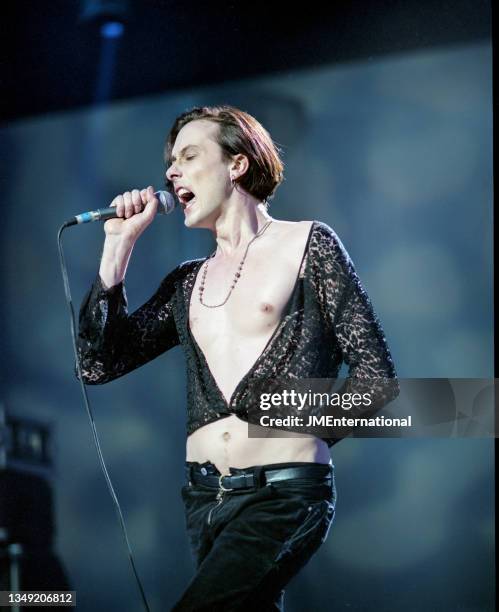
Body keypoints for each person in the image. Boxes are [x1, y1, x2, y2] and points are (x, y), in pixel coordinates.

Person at [76, 105, 399, 611]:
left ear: (237, 164)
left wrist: (286, 421)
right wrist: (115, 251)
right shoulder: (187, 282)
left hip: (281, 495)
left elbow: (377, 380)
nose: (170, 172)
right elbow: (98, 364)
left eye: (188, 155)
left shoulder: (308, 244)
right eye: (170, 163)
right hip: (205, 501)